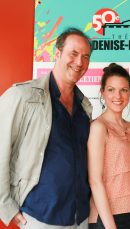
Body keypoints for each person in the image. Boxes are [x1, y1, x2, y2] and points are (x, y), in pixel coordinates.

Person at [0, 28, 93, 228]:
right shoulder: (23, 97)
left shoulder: (84, 106)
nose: (79, 62)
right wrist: (5, 206)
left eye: (85, 57)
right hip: (39, 217)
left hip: (80, 217)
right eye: (73, 54)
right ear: (57, 53)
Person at [87, 63, 130, 229]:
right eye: (111, 89)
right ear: (102, 92)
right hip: (106, 218)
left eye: (123, 90)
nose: (117, 95)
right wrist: (110, 226)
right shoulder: (99, 127)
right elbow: (95, 180)